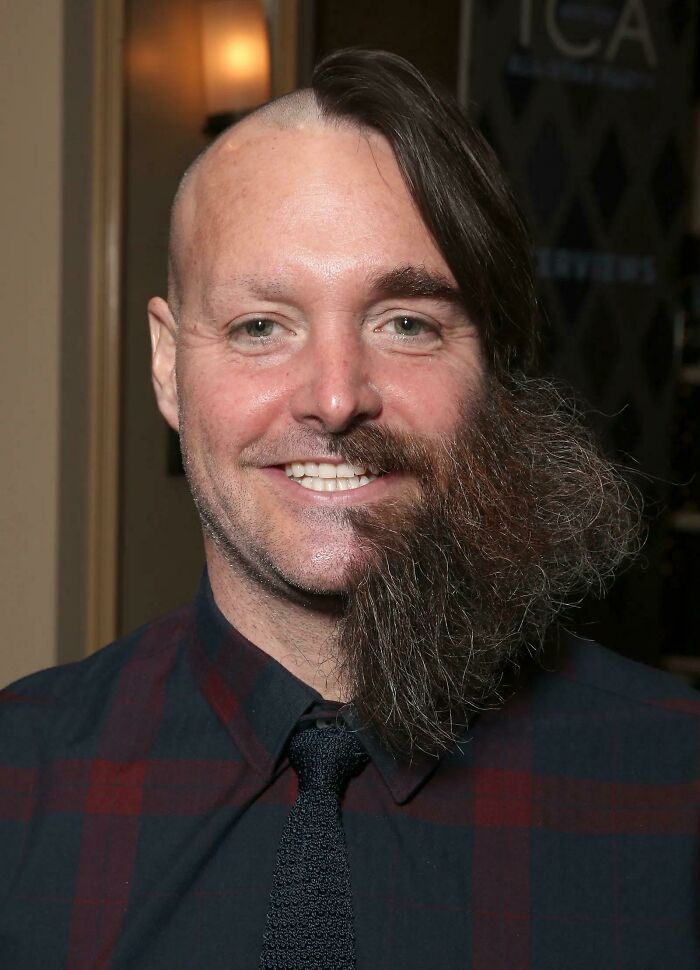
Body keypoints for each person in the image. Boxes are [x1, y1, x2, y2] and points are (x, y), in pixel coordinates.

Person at [0, 49, 697, 970]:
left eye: (405, 322)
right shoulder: (17, 787)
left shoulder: (676, 793)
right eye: (261, 327)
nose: (335, 399)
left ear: (493, 364)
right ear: (168, 366)